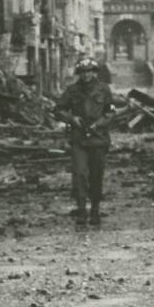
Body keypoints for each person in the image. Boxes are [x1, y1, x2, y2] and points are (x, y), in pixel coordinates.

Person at [54, 59, 115, 225]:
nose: (86, 75)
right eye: (83, 72)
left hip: (98, 138)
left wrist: (99, 124)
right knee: (79, 174)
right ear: (79, 74)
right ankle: (82, 211)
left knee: (97, 174)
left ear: (94, 72)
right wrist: (72, 118)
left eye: (90, 71)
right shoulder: (72, 90)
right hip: (78, 139)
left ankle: (95, 209)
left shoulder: (104, 89)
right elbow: (58, 110)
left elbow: (110, 113)